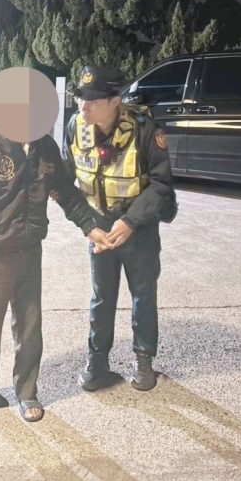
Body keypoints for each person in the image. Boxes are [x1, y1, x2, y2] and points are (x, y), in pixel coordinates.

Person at [0, 125, 111, 422]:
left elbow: (66, 193)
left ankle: (26, 392)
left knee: (30, 325)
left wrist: (90, 226)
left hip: (30, 251)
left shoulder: (44, 146)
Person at [62, 65, 177, 392]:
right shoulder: (75, 126)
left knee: (143, 295)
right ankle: (97, 361)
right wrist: (87, 226)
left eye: (93, 100)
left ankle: (143, 361)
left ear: (116, 100)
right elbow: (65, 184)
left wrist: (130, 222)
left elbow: (161, 185)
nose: (83, 106)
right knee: (102, 297)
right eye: (80, 98)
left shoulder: (144, 129)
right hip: (99, 228)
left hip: (138, 228)